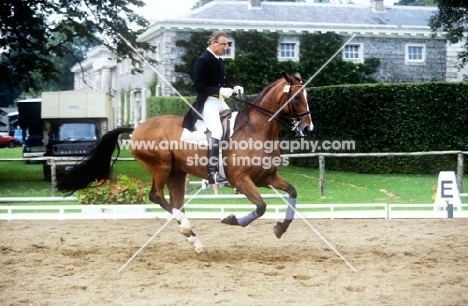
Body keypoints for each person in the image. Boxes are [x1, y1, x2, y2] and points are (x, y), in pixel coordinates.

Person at [182, 31, 243, 185]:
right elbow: (199, 86)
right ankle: (212, 172)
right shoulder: (202, 61)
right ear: (212, 43)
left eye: (227, 45)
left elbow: (223, 81)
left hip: (220, 101)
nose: (225, 47)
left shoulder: (218, 60)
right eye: (223, 44)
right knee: (217, 131)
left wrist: (233, 87)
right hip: (208, 102)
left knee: (236, 124)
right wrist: (219, 90)